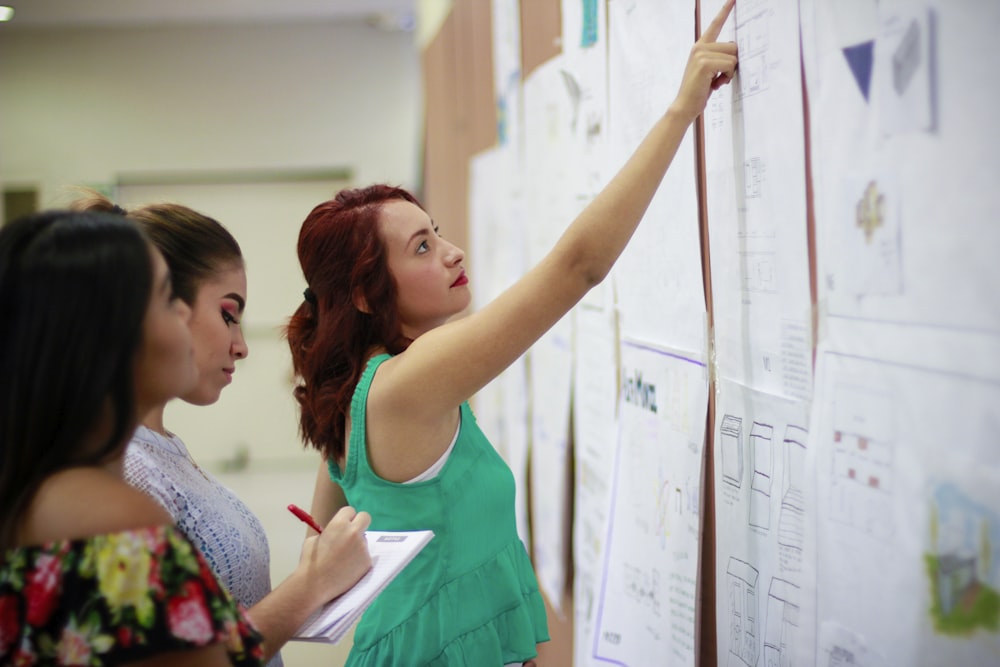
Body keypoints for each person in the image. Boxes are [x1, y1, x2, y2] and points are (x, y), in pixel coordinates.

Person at [285, 3, 739, 665]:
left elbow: (329, 536)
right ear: (363, 291)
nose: (451, 251)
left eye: (436, 230)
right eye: (419, 247)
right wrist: (679, 112)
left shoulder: (360, 385)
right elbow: (578, 266)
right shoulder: (406, 381)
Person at [72, 192, 373, 666]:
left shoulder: (161, 450)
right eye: (228, 315)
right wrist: (312, 584)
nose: (240, 346)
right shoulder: (120, 468)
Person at [0, 209, 263, 665]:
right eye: (165, 299)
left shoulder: (37, 490)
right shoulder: (114, 518)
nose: (181, 313)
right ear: (107, 336)